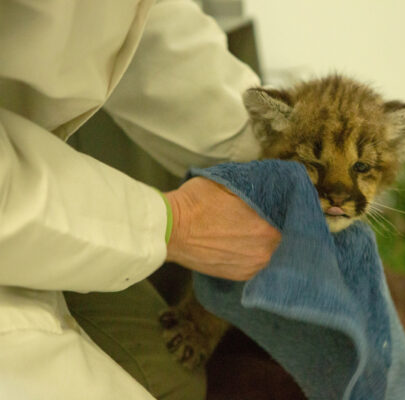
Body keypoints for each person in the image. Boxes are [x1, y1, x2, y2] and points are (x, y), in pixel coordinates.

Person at [0, 0, 281, 399]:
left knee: (177, 377)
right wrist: (175, 224)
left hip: (41, 199)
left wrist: (272, 150)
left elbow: (133, 22)